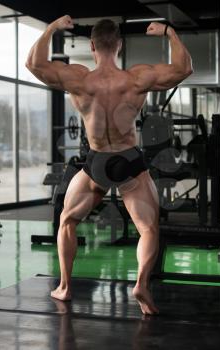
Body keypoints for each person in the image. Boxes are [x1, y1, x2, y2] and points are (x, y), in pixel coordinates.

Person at [26, 15, 192, 315]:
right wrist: (169, 32)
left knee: (67, 221)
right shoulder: (136, 79)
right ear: (119, 44)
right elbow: (184, 68)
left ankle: (64, 286)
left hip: (96, 163)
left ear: (91, 45)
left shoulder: (79, 78)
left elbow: (33, 64)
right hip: (129, 161)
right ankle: (141, 283)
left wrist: (51, 28)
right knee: (149, 229)